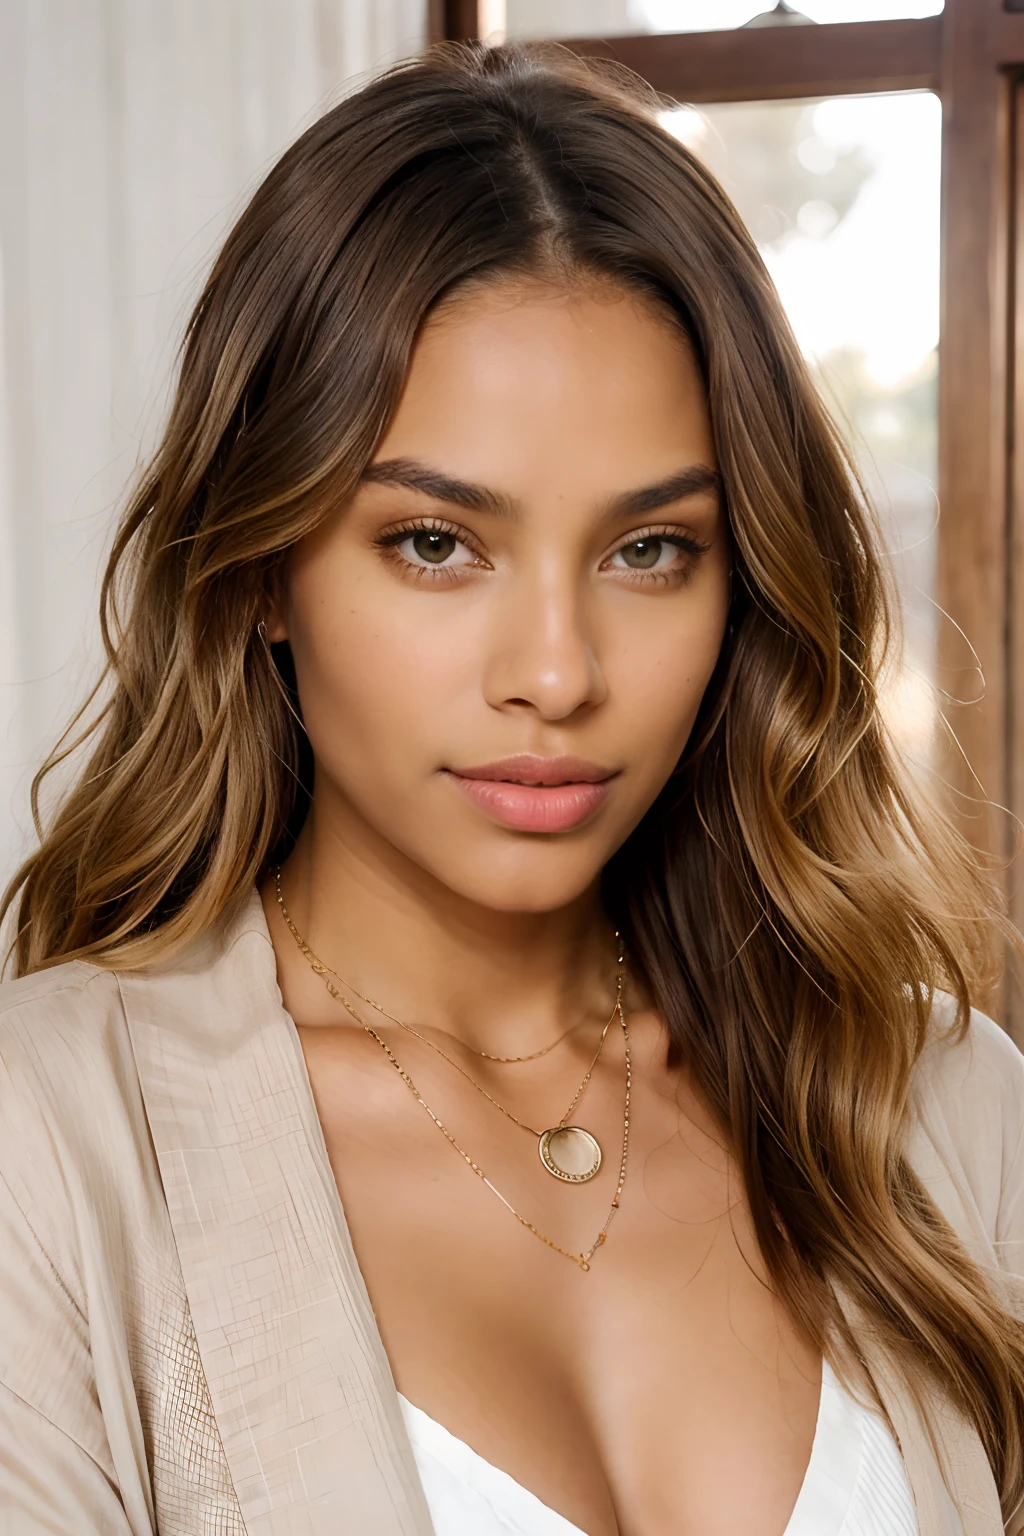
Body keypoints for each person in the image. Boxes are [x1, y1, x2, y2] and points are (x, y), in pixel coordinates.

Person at [0, 39, 1021, 1536]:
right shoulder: (51, 1143)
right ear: (263, 569)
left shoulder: (941, 1106)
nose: (556, 672)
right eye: (434, 543)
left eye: (649, 549)